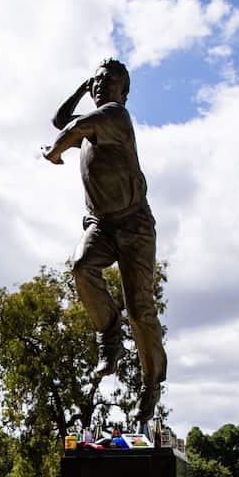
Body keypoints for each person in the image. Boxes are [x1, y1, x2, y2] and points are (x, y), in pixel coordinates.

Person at [42, 58, 166, 422]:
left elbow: (75, 126)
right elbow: (59, 120)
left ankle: (151, 384)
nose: (99, 86)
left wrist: (54, 153)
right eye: (95, 81)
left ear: (123, 92)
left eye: (107, 81)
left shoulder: (115, 117)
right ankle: (108, 338)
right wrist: (83, 86)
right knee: (82, 267)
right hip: (102, 225)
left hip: (134, 226)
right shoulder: (93, 119)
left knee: (141, 312)